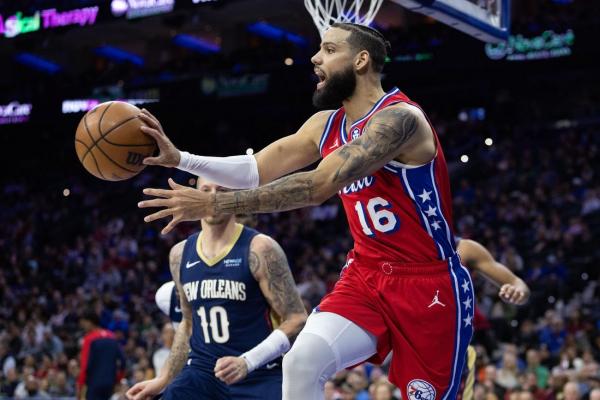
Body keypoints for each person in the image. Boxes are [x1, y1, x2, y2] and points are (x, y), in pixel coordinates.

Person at [138, 23, 472, 400]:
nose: (315, 58)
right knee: (301, 361)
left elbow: (318, 186)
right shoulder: (324, 124)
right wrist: (182, 159)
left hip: (428, 284)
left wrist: (214, 203)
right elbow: (254, 170)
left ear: (361, 60)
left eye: (329, 50)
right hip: (366, 274)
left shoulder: (401, 120)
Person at [127, 178, 307, 400]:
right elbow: (188, 321)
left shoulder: (261, 249)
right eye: (205, 190)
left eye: (221, 190)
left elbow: (297, 318)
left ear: (236, 198)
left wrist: (247, 361)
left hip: (259, 373)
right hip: (203, 374)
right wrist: (164, 378)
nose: (212, 197)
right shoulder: (180, 254)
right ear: (194, 196)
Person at [77, 311, 126, 400]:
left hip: (94, 384)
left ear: (89, 322)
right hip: (110, 384)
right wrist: (117, 379)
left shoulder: (89, 338)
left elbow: (85, 365)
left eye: (83, 324)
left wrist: (80, 386)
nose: (83, 328)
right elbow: (123, 361)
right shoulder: (112, 336)